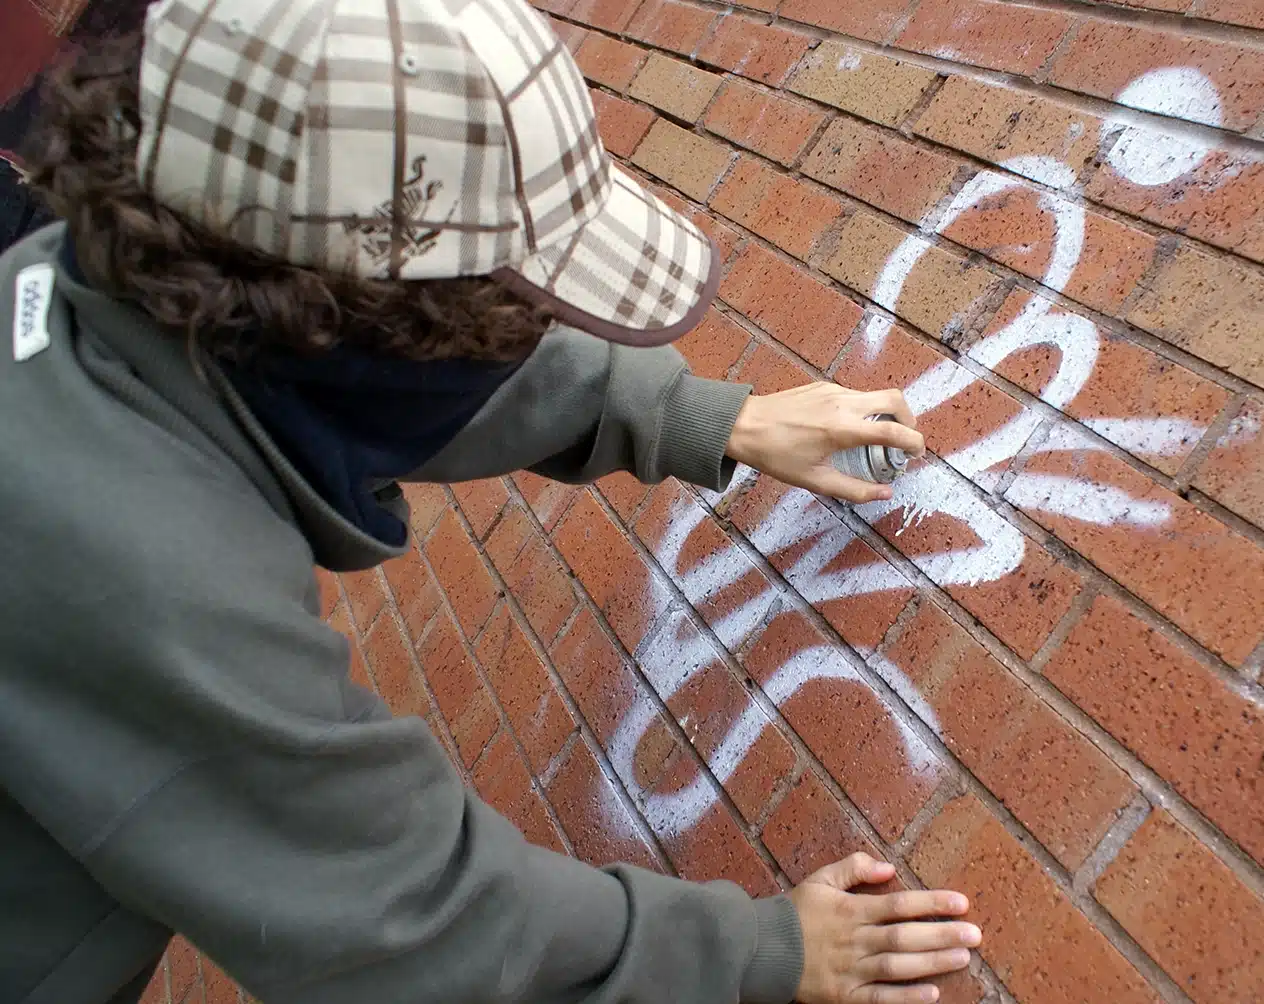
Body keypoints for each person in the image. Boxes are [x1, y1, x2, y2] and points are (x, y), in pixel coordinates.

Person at [0, 1, 982, 1002]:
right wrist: (754, 954)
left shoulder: (103, 277)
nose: (514, 335)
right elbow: (404, 923)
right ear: (339, 323)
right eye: (506, 307)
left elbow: (397, 363)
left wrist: (708, 420)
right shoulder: (136, 564)